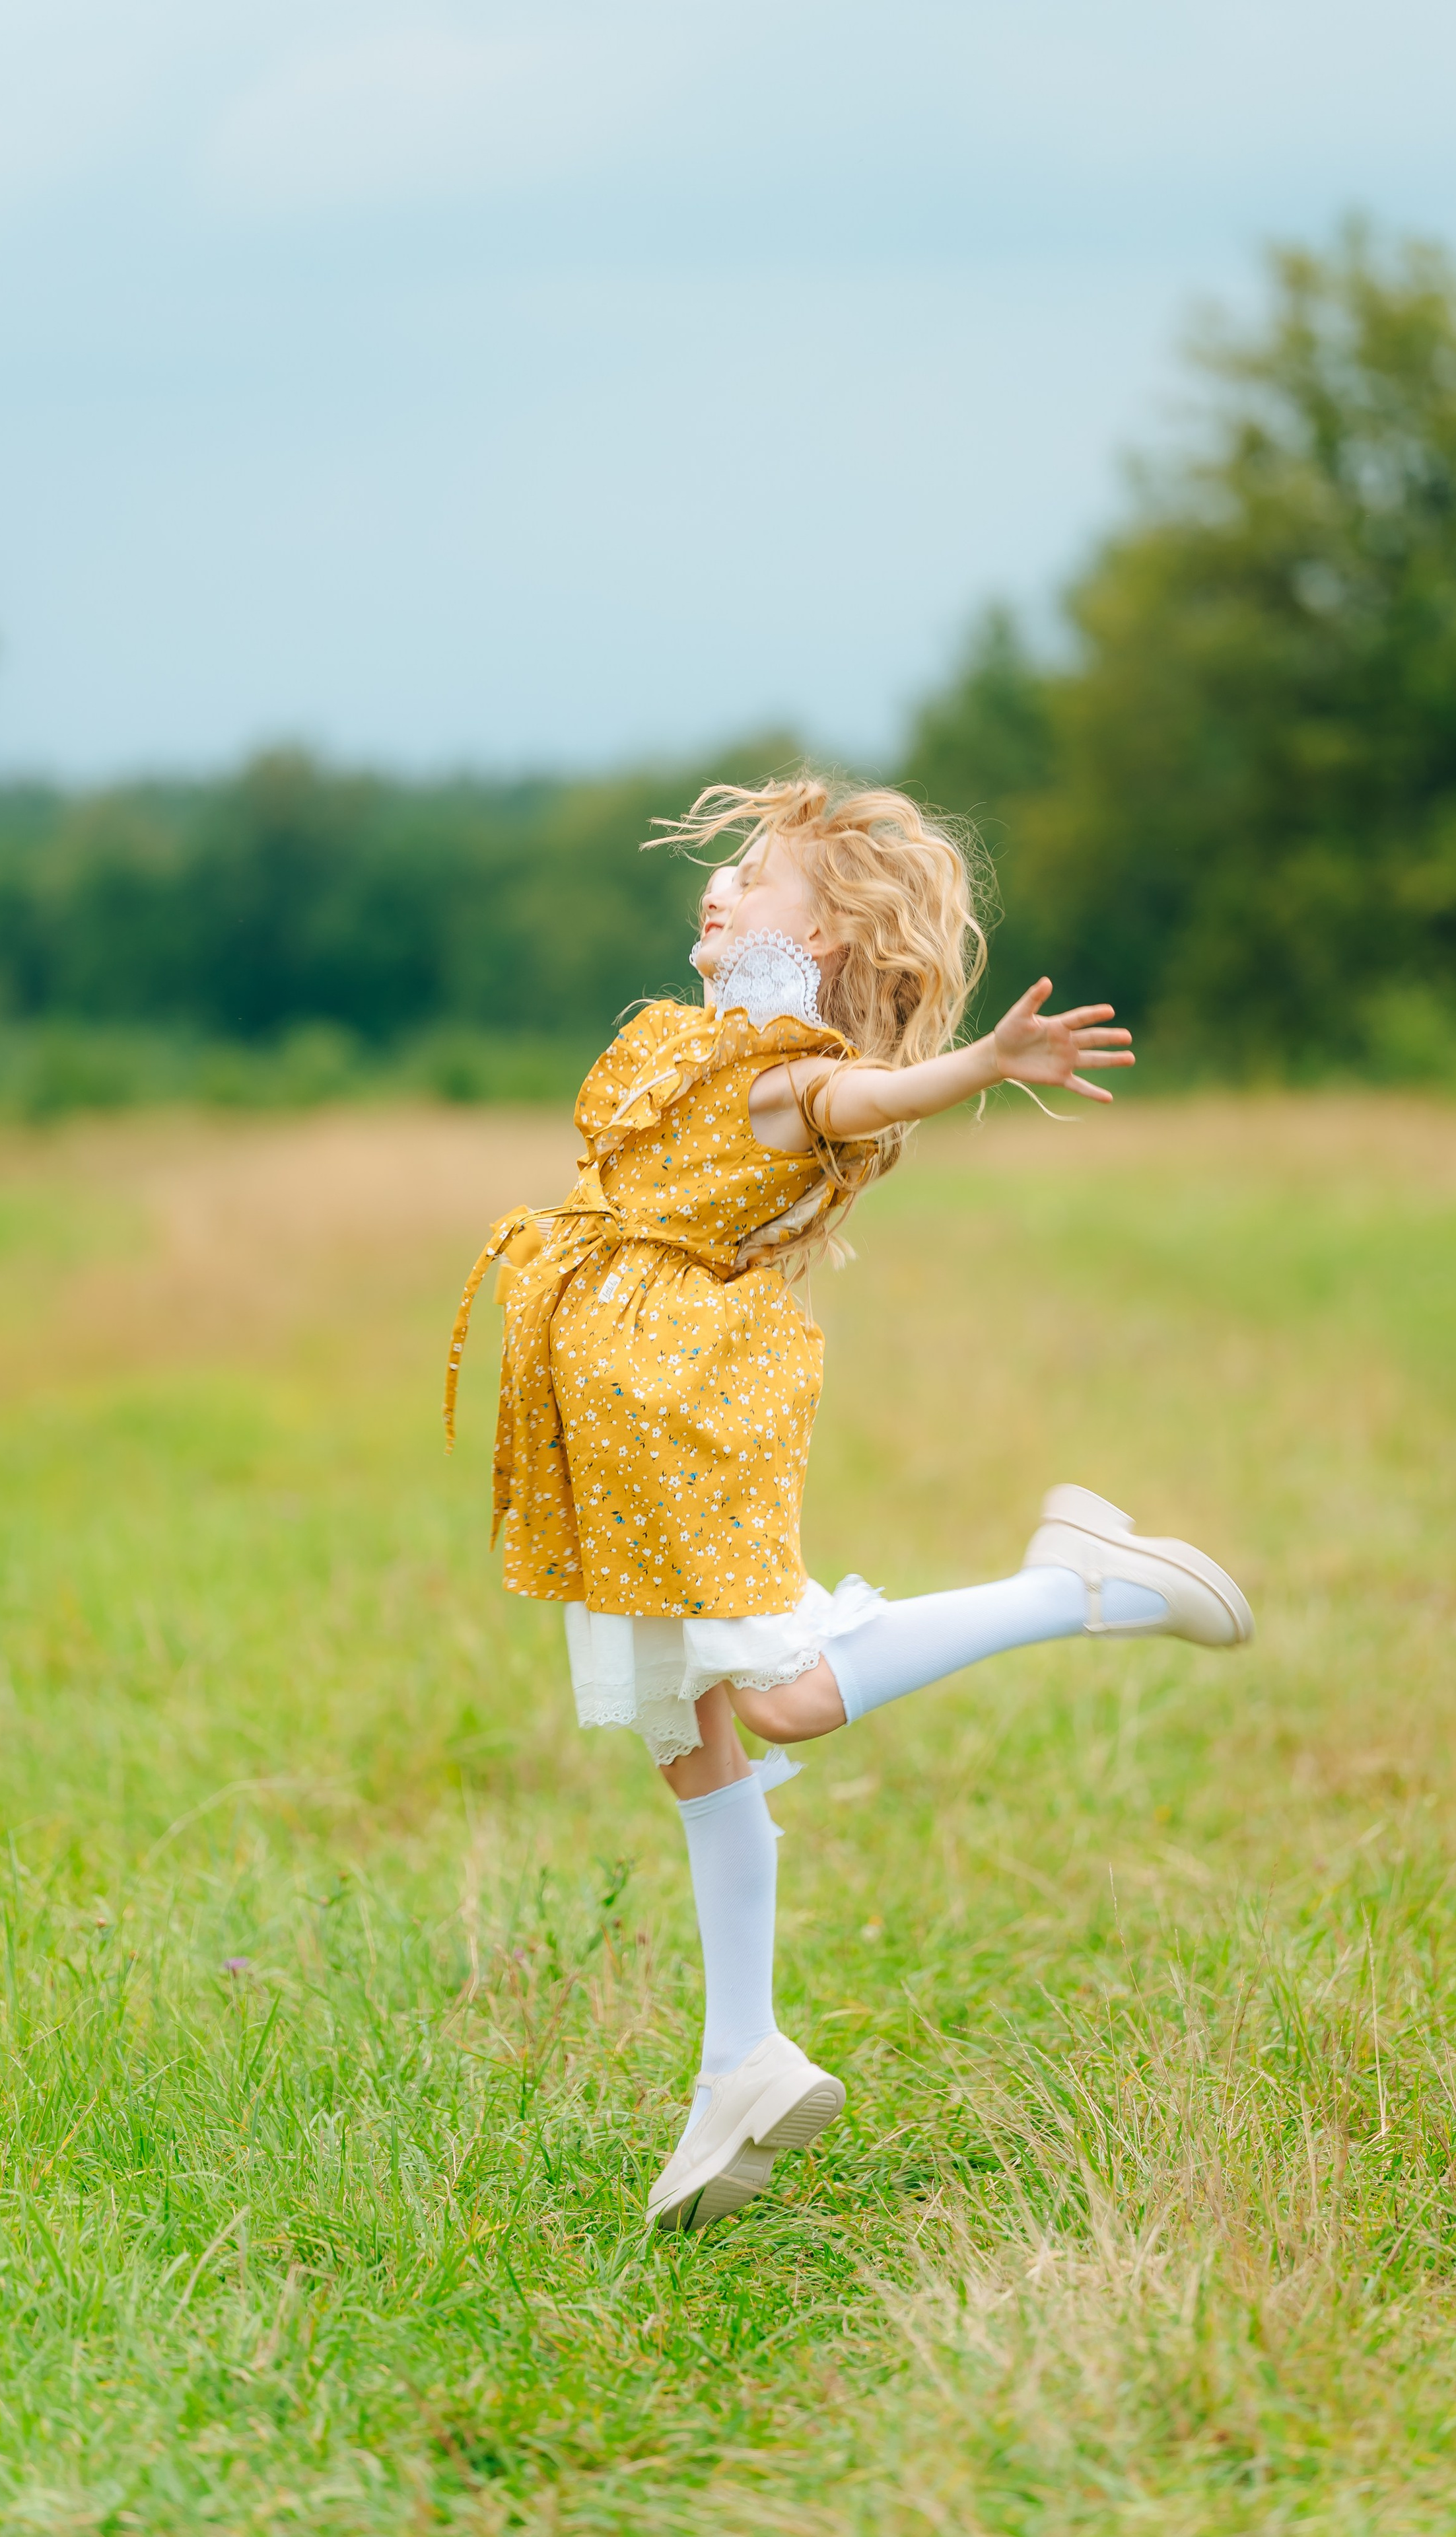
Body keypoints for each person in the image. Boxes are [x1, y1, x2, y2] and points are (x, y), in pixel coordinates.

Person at [446, 773, 1251, 2233]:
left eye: (754, 876)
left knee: (786, 1699)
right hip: (617, 1428)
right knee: (687, 1733)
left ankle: (1080, 1583)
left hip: (687, 1411)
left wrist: (985, 1063)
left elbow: (857, 1097)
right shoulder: (690, 1041)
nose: (721, 884)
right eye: (727, 868)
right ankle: (738, 2060)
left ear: (819, 936)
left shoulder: (785, 1070)